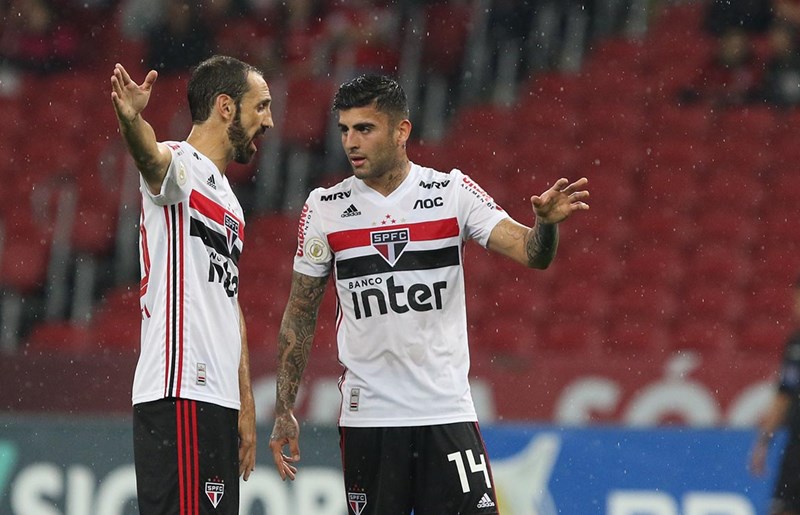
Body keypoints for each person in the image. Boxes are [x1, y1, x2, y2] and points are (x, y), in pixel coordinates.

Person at [268, 74, 589, 514]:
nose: (351, 142)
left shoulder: (451, 192)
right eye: (344, 130)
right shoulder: (325, 208)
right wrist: (284, 407)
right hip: (370, 420)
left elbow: (532, 253)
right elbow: (300, 312)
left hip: (445, 412)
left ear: (401, 131)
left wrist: (546, 225)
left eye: (365, 129)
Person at [110, 55, 273, 514]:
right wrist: (132, 120)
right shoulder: (179, 166)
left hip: (217, 399)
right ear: (226, 107)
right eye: (261, 106)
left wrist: (244, 400)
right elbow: (150, 156)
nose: (269, 121)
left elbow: (229, 300)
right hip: (179, 389)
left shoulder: (232, 203)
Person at [750, 277, 800, 515]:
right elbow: (784, 395)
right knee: (783, 508)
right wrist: (764, 441)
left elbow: (784, 397)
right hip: (796, 446)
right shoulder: (796, 344)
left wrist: (763, 442)